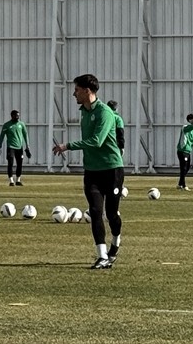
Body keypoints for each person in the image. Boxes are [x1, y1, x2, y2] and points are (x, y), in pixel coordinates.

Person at [53, 74, 124, 270]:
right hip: (92, 171)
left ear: (87, 91)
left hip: (112, 169)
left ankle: (115, 243)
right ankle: (102, 256)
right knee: (95, 211)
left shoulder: (105, 113)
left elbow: (97, 141)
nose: (73, 93)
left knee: (111, 215)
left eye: (76, 89)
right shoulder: (83, 111)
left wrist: (67, 146)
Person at [0, 109, 31, 186]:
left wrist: (27, 145)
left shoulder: (21, 124)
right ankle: (11, 180)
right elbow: (2, 136)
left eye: (18, 116)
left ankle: (18, 180)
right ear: (12, 116)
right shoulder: (7, 125)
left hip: (19, 147)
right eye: (16, 116)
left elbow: (25, 135)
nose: (17, 117)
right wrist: (0, 146)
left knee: (20, 164)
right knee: (10, 163)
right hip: (11, 147)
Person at [176, 114, 193, 190]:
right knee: (184, 168)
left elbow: (191, 141)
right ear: (189, 120)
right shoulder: (185, 127)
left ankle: (180, 184)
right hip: (182, 151)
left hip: (188, 151)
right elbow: (190, 128)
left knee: (187, 167)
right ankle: (184, 185)